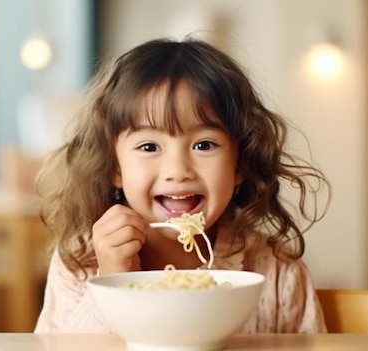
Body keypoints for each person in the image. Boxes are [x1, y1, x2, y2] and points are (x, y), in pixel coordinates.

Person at [33, 37, 331, 334]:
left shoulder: (277, 271)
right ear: (114, 167)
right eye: (149, 147)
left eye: (204, 144)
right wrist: (113, 282)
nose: (178, 171)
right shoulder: (80, 260)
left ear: (240, 165)